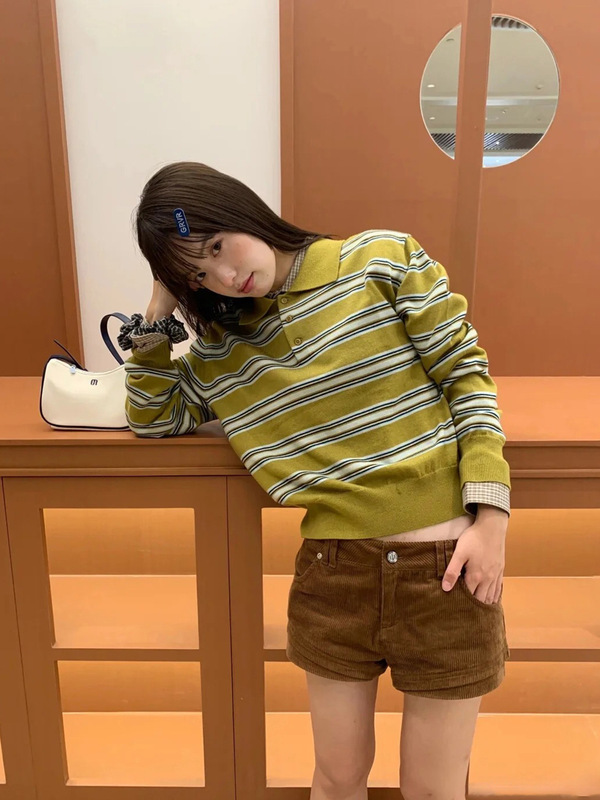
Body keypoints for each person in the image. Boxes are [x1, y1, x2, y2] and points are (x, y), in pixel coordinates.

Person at [118, 161, 511, 800]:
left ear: (241, 210)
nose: (225, 276)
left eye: (217, 246)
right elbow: (153, 416)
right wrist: (161, 307)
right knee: (335, 777)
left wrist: (491, 520)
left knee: (433, 789)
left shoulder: (381, 261)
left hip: (447, 570)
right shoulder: (224, 350)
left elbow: (467, 380)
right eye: (197, 273)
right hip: (334, 578)